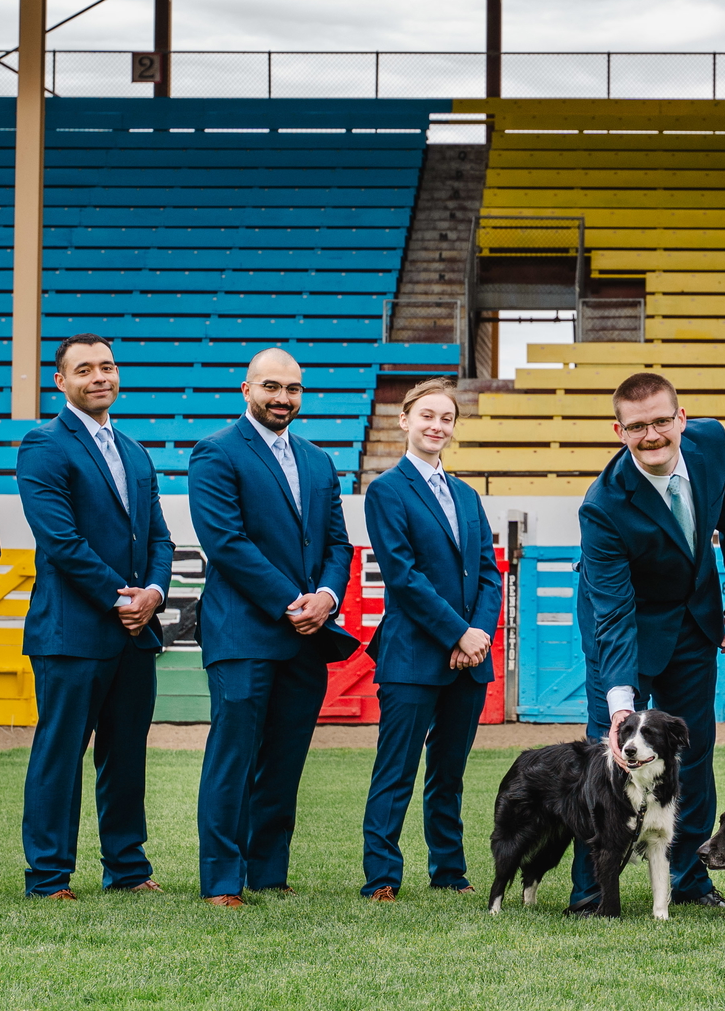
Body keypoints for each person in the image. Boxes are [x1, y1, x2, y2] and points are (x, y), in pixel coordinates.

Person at [571, 371, 725, 913]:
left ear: (681, 418)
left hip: (692, 625)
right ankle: (591, 890)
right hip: (622, 630)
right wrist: (621, 705)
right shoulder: (602, 505)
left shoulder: (712, 442)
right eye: (637, 427)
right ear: (619, 431)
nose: (651, 435)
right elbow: (614, 613)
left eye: (661, 421)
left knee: (693, 752)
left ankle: (692, 881)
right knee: (608, 762)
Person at [186, 347, 359, 907]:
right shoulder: (215, 452)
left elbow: (337, 543)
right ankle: (221, 881)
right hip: (243, 634)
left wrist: (327, 597)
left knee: (284, 762)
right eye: (271, 387)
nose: (283, 398)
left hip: (306, 638)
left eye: (293, 388)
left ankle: (267, 872)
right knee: (233, 759)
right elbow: (226, 543)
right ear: (247, 389)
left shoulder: (318, 461)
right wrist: (291, 602)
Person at [14, 333, 174, 900]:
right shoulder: (43, 445)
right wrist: (123, 598)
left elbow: (159, 537)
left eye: (107, 366)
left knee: (126, 756)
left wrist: (154, 591)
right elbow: (61, 542)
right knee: (60, 756)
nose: (99, 376)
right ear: (61, 381)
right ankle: (49, 875)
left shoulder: (135, 451)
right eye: (84, 369)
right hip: (72, 632)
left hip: (135, 633)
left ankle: (127, 869)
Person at [359, 378, 500, 900]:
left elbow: (488, 573)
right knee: (395, 770)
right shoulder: (387, 490)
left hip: (470, 658)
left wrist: (477, 636)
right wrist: (459, 632)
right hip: (414, 656)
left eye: (446, 418)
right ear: (405, 421)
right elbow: (403, 576)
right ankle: (382, 877)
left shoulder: (466, 495)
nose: (436, 426)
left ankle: (449, 872)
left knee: (449, 773)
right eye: (427, 416)